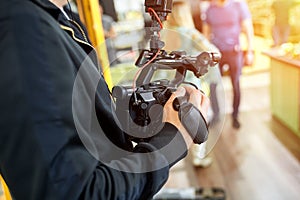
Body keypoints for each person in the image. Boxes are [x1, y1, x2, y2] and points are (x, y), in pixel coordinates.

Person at [0, 0, 210, 199]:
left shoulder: (59, 19)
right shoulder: (22, 27)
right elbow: (75, 193)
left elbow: (78, 124)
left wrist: (131, 117)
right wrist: (168, 145)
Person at [162, 0, 222, 167]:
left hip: (167, 85)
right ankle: (198, 157)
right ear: (184, 14)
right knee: (199, 119)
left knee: (172, 119)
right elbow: (214, 53)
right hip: (189, 83)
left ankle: (169, 157)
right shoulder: (190, 33)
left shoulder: (164, 34)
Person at [203, 0, 254, 129]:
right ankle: (216, 114)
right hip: (216, 53)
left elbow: (248, 28)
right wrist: (205, 53)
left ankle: (235, 116)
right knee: (213, 85)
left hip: (234, 52)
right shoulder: (210, 9)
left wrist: (250, 51)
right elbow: (206, 33)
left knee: (236, 84)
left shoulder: (238, 5)